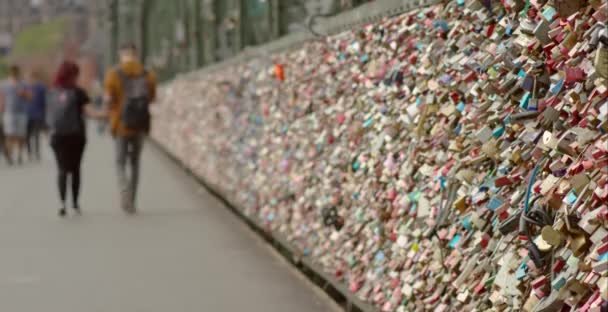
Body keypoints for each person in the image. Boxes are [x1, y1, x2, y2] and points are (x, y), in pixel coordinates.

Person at [47, 61, 106, 217]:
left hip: (57, 136)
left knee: (61, 169)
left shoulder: (52, 92)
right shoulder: (78, 92)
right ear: (73, 75)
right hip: (76, 136)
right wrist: (108, 114)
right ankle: (74, 203)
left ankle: (61, 204)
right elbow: (91, 113)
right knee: (75, 169)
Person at [104, 43, 156, 213]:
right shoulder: (147, 74)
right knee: (135, 163)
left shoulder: (113, 74)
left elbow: (108, 100)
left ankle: (124, 189)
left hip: (120, 124)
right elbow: (152, 97)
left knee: (120, 162)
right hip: (140, 124)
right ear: (136, 54)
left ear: (121, 55)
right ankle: (132, 200)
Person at [1, 65, 30, 165]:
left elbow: (30, 97)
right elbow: (1, 97)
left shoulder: (24, 84)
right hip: (9, 112)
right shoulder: (4, 84)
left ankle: (20, 155)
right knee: (9, 134)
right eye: (12, 72)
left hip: (21, 112)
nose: (14, 74)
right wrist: (1, 108)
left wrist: (23, 94)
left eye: (16, 72)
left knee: (21, 135)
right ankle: (9, 155)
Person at [26, 69, 47, 161]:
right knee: (27, 135)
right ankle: (30, 153)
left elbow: (45, 101)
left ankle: (37, 153)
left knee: (36, 135)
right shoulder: (26, 86)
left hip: (38, 114)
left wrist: (44, 114)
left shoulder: (41, 87)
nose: (29, 78)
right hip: (27, 114)